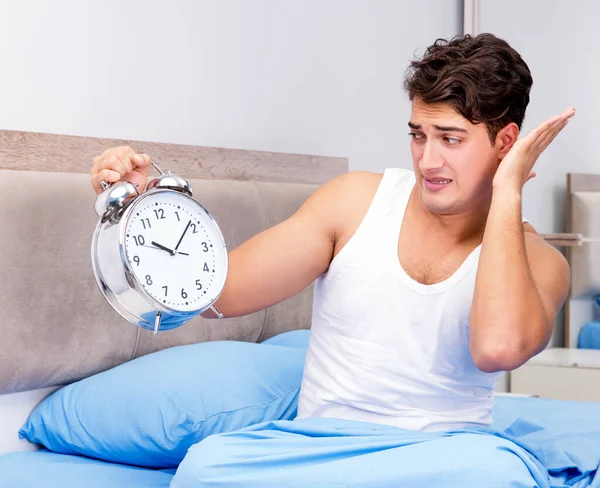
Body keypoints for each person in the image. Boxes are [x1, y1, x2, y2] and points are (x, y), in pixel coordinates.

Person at [90, 33, 574, 484]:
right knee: (206, 466)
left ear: (506, 143)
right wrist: (140, 205)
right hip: (320, 447)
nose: (427, 161)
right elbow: (221, 289)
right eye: (418, 135)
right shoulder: (355, 202)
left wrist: (508, 191)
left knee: (495, 475)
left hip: (443, 456)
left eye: (450, 139)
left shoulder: (540, 260)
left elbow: (498, 350)